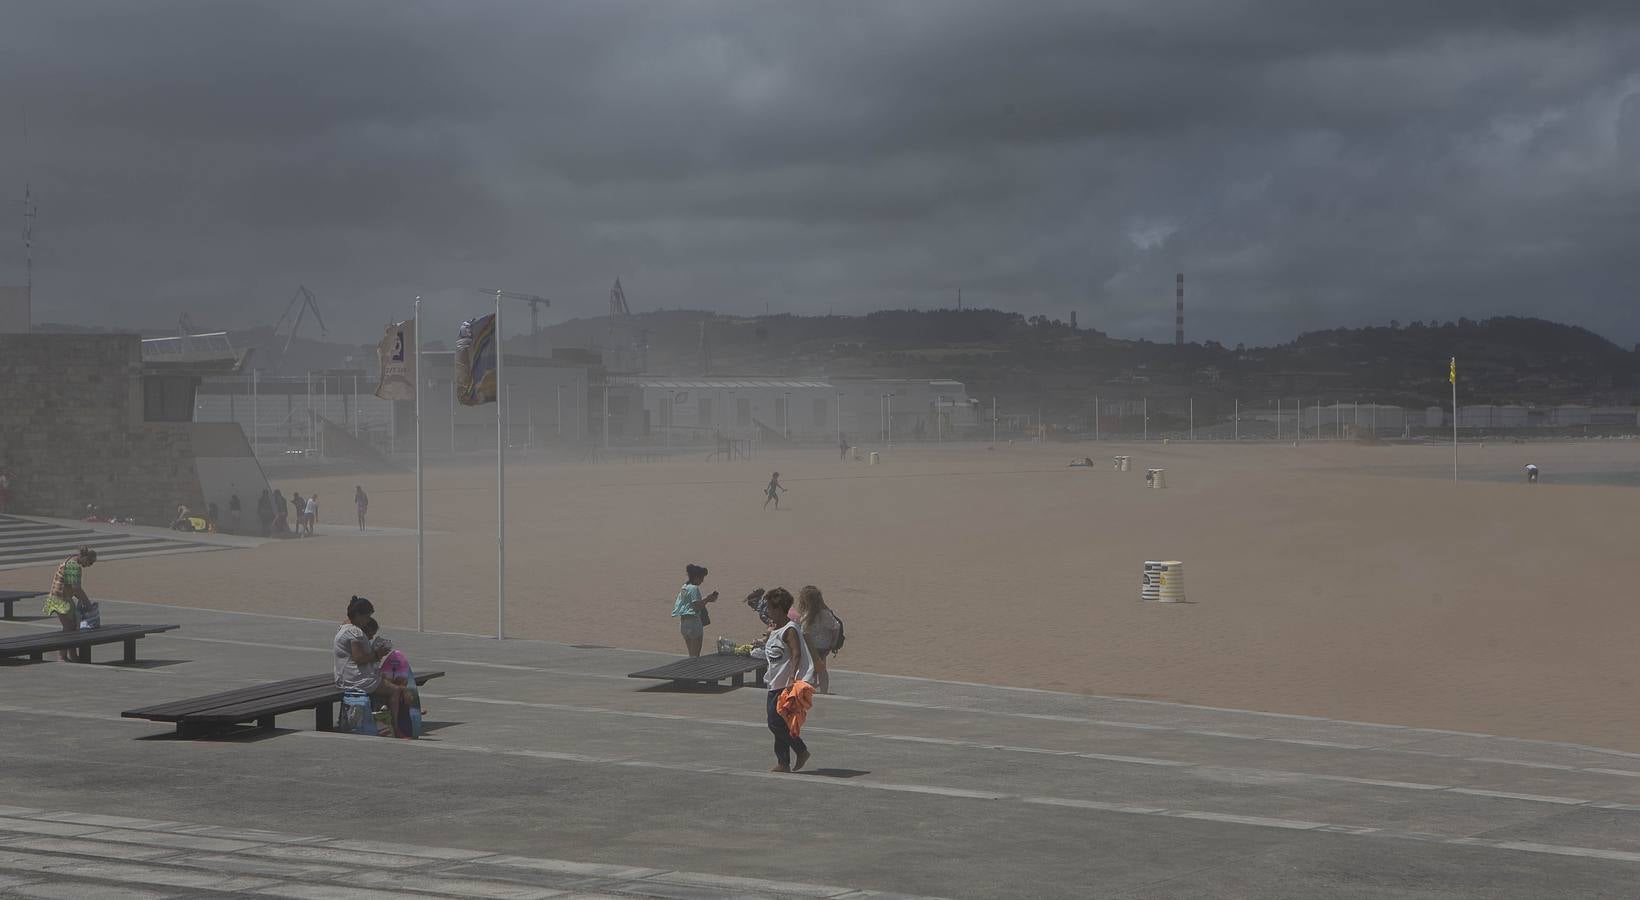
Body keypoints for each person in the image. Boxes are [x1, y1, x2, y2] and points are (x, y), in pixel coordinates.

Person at [761, 588, 814, 773]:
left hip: (785, 686)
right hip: (774, 683)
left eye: (769, 608)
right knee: (779, 724)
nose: (767, 611)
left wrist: (792, 677)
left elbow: (797, 654)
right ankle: (783, 762)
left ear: (779, 609)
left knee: (774, 723)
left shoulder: (789, 629)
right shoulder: (776, 628)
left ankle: (801, 750)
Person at [332, 596, 404, 727]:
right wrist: (377, 654)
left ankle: (383, 714)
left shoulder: (343, 627)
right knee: (395, 690)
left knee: (386, 680)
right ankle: (396, 725)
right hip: (356, 680)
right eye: (366, 617)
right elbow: (359, 659)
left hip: (344, 677)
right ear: (358, 615)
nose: (367, 621)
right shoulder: (355, 632)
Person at [42, 546, 96, 662]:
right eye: (90, 562)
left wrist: (81, 600)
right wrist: (88, 605)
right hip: (60, 598)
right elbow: (76, 588)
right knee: (69, 627)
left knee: (72, 626)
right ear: (84, 557)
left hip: (61, 597)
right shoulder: (73, 567)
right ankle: (62, 656)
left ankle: (72, 655)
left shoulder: (70, 560)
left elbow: (72, 587)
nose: (90, 565)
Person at [796, 585, 842, 695]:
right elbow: (836, 626)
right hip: (824, 645)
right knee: (821, 668)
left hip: (812, 646)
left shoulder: (810, 615)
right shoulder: (825, 613)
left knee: (811, 668)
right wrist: (833, 642)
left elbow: (804, 631)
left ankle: (812, 688)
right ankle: (823, 690)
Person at [671, 564, 718, 657]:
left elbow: (689, 604)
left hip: (684, 623)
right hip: (694, 623)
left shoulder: (684, 587)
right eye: (701, 578)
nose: (702, 581)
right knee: (695, 656)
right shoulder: (694, 588)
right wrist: (708, 599)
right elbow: (697, 607)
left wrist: (705, 599)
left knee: (691, 655)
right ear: (696, 577)